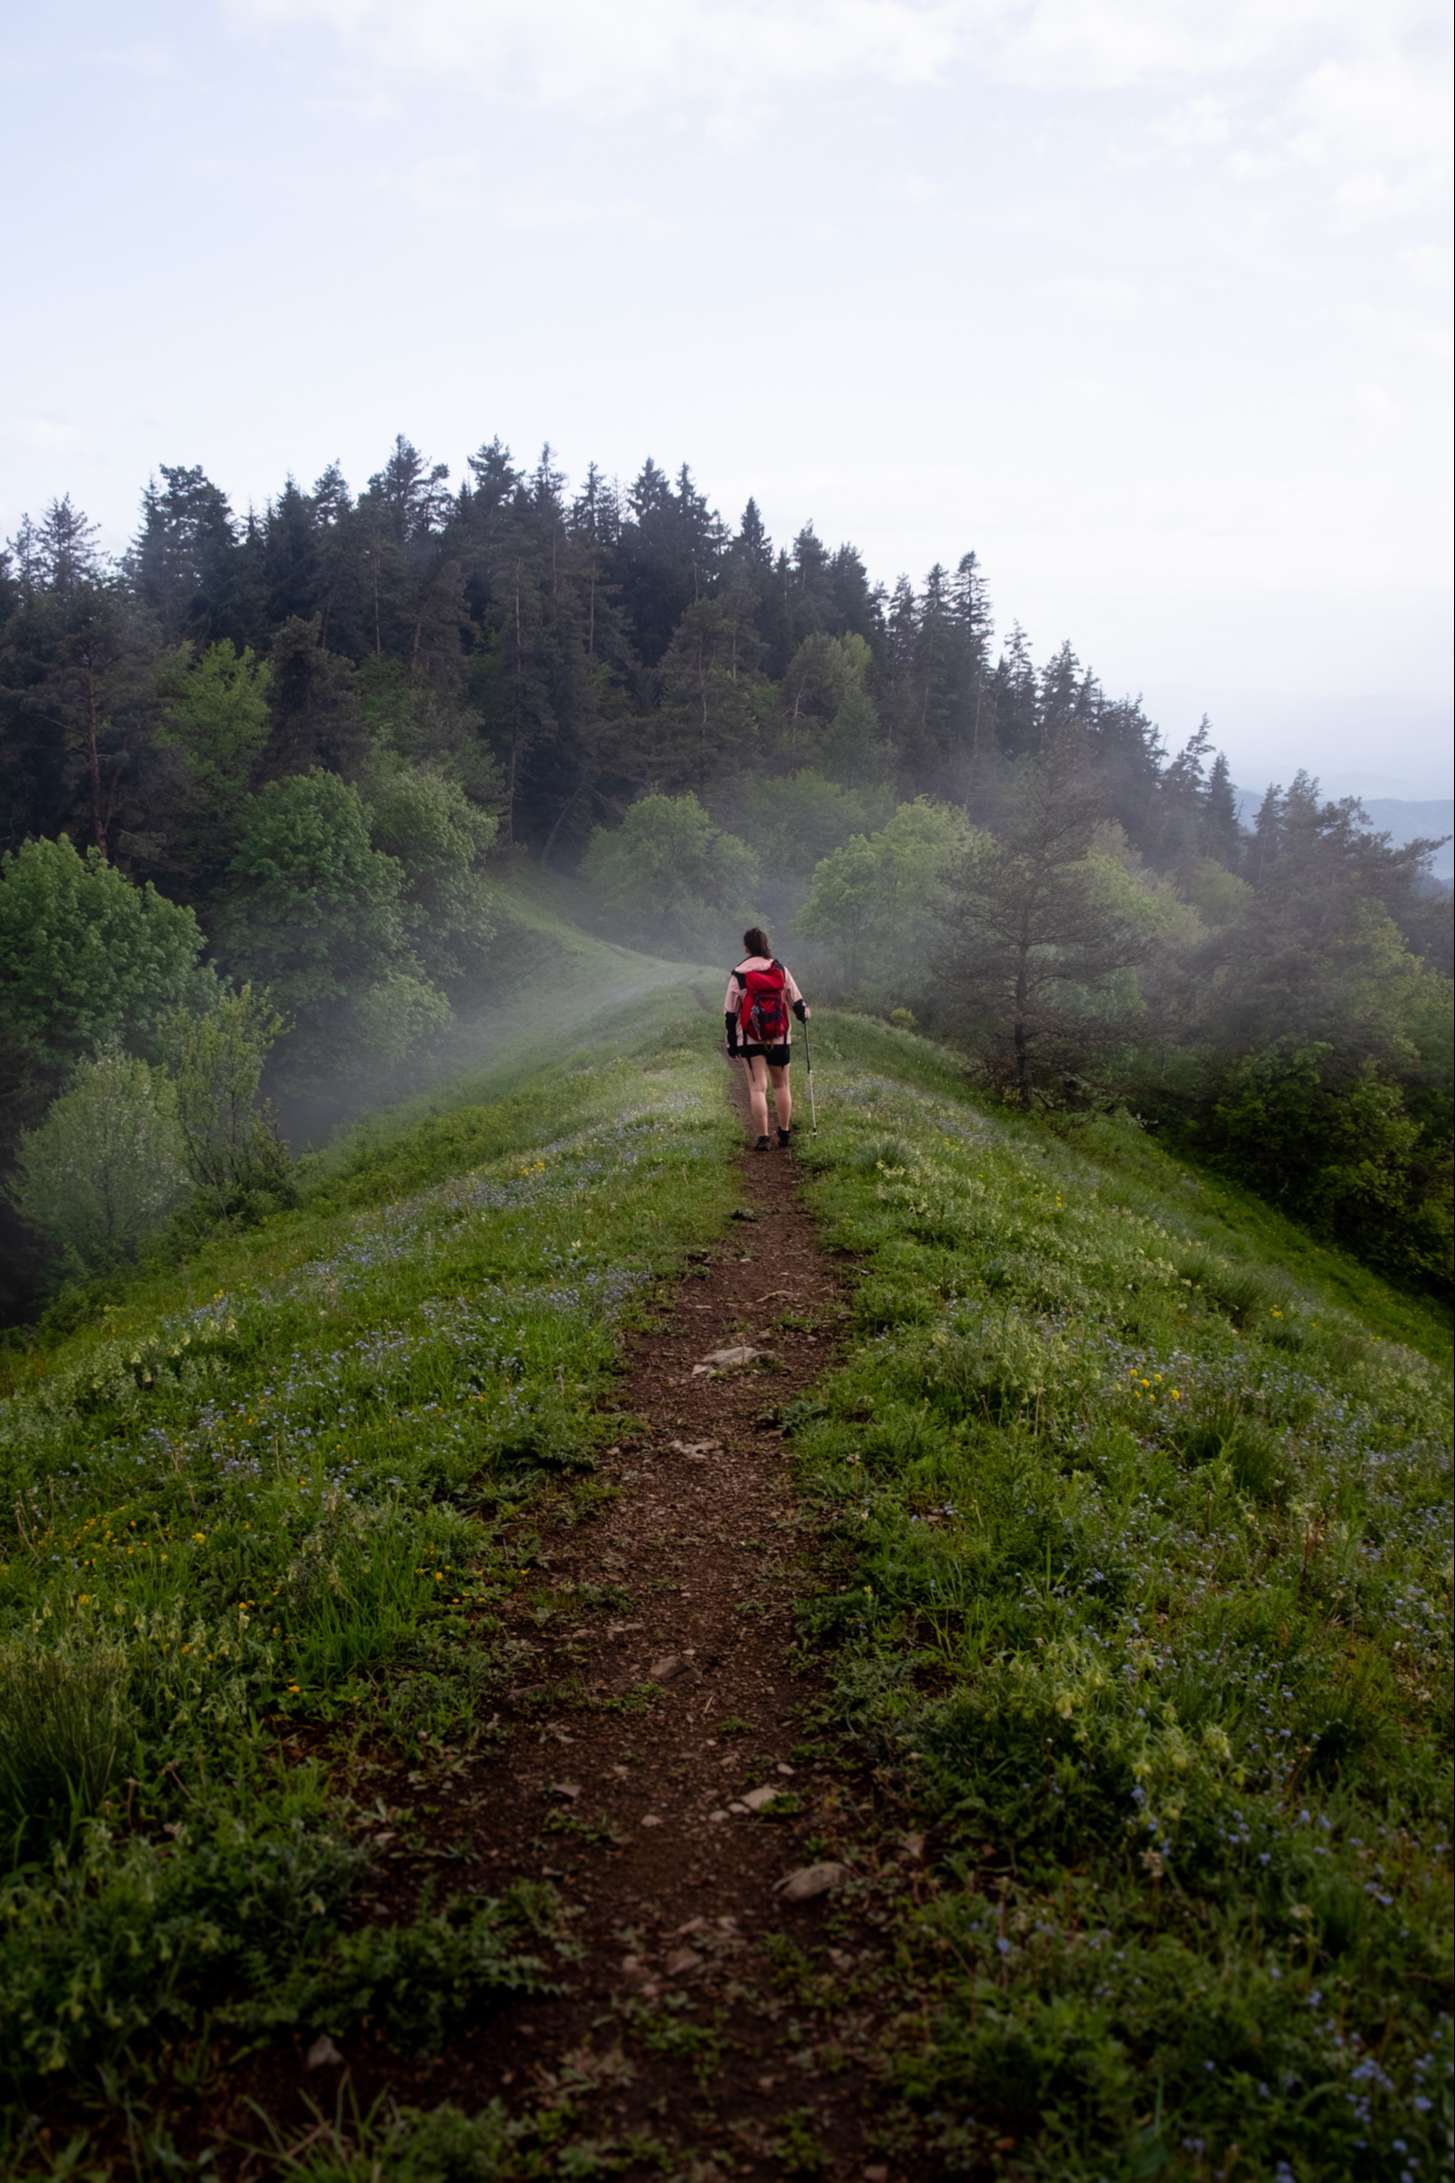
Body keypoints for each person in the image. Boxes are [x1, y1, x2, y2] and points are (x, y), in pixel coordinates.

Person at [723, 927, 810, 1150]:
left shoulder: (739, 974)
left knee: (757, 1088)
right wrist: (804, 1015)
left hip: (750, 1040)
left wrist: (732, 1044)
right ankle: (784, 1132)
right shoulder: (779, 969)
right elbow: (797, 1002)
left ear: (746, 947)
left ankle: (762, 1138)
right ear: (766, 944)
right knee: (781, 1085)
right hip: (779, 1037)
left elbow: (730, 1014)